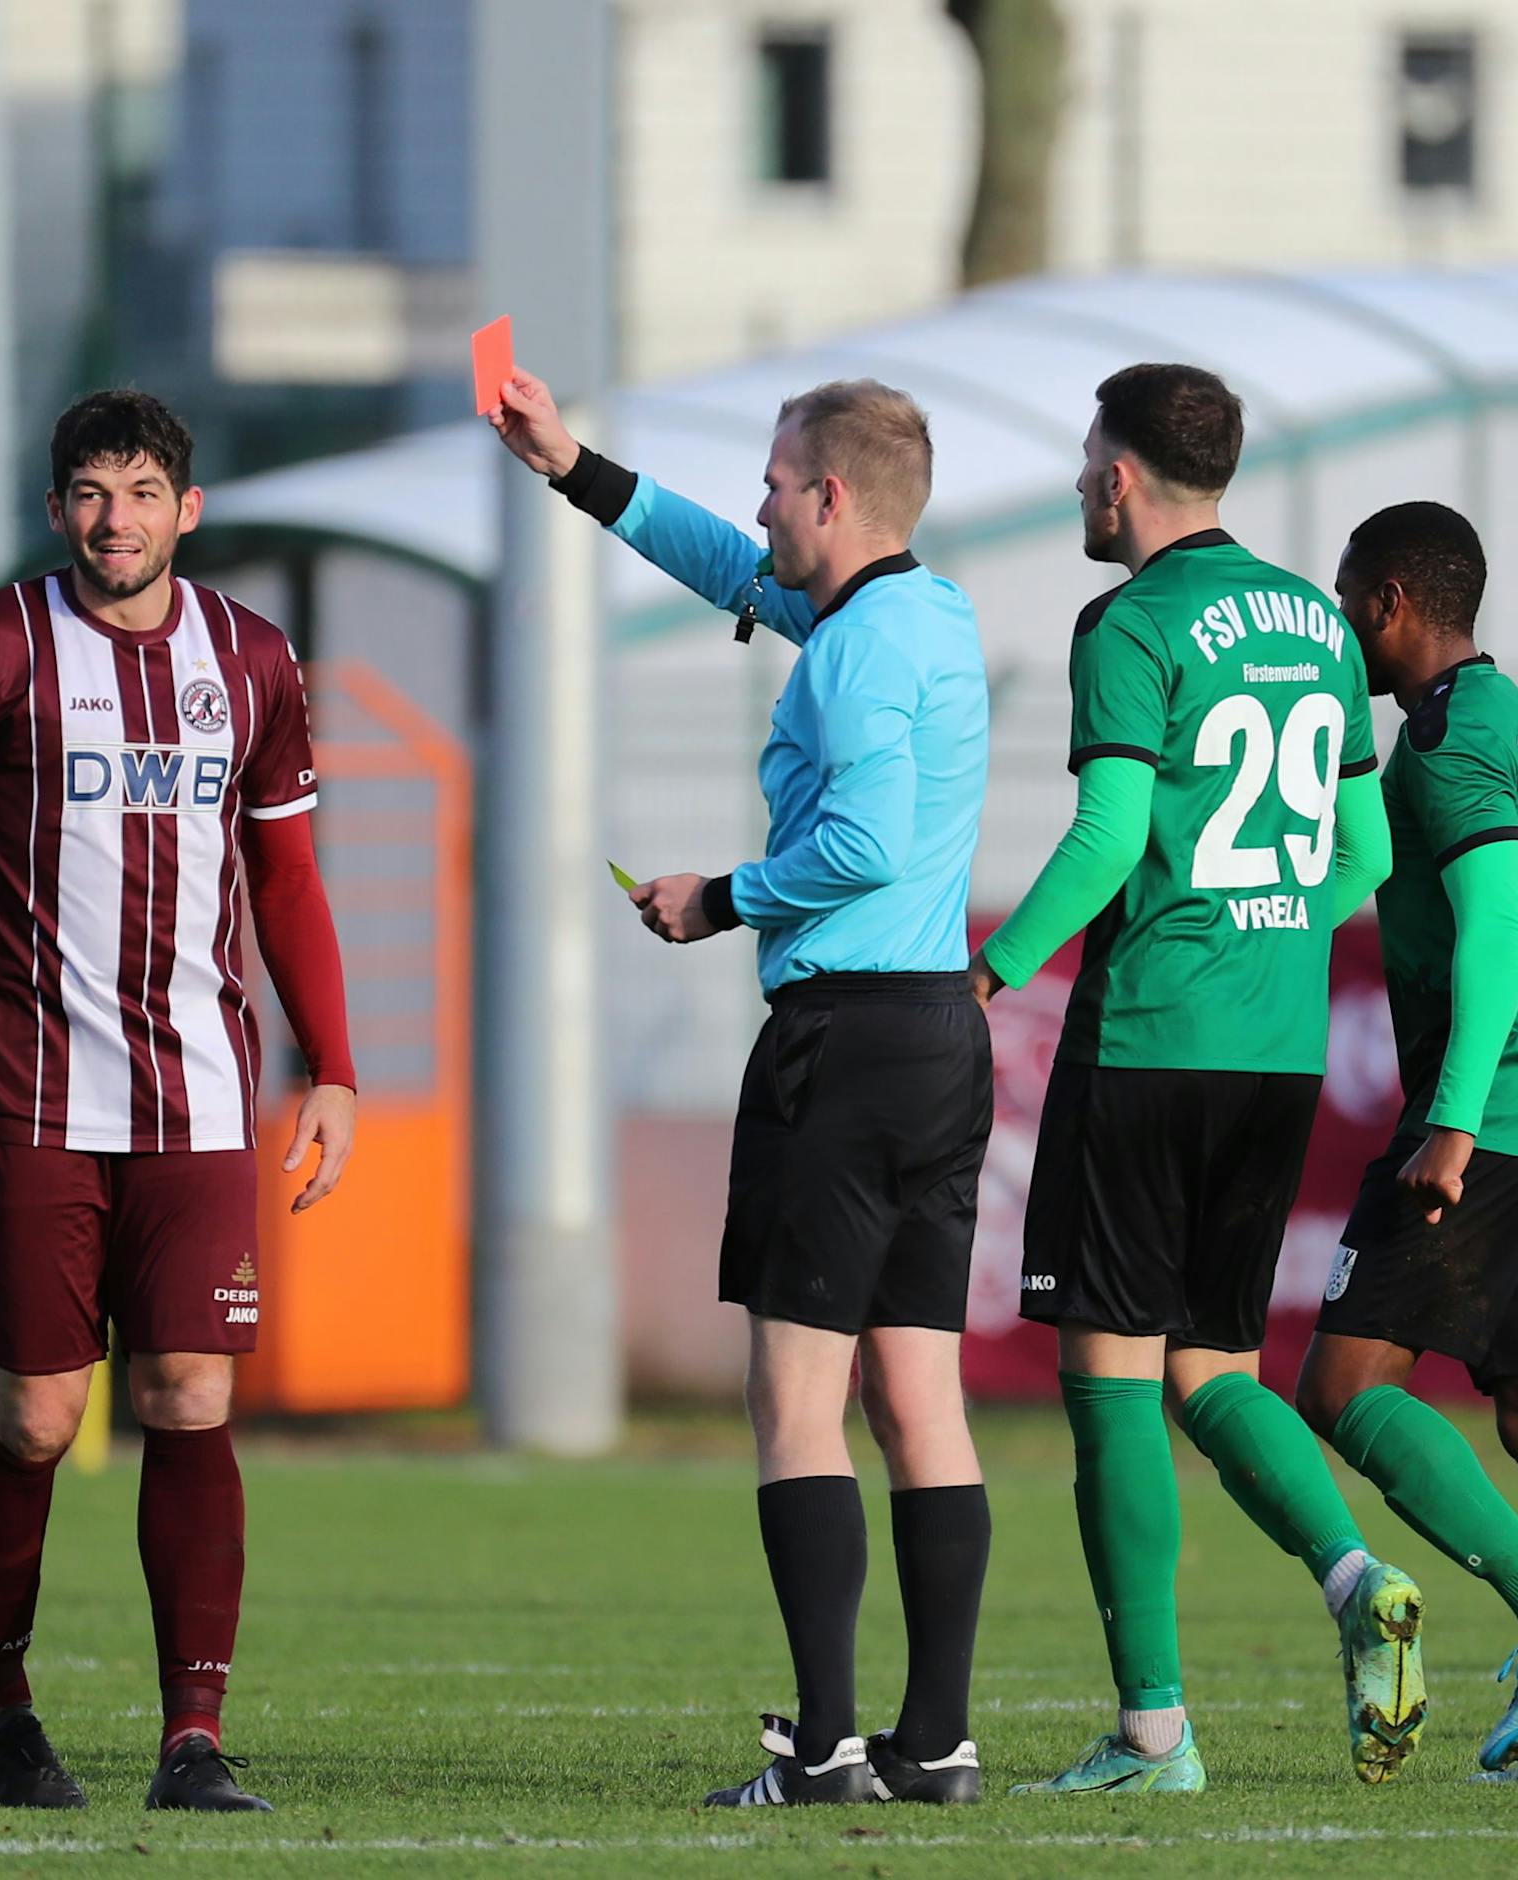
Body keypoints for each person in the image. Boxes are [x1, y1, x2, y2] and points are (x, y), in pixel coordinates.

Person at [0, 390, 358, 1814]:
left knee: (190, 1390)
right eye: (87, 492)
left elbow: (287, 881)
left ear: (188, 510)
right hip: (23, 1093)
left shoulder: (251, 659)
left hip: (198, 1100)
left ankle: (193, 1739)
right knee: (38, 1417)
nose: (112, 519)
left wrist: (333, 1066)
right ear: (57, 508)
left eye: (138, 492)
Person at [488, 370, 992, 1807]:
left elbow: (868, 845)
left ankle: (825, 1747)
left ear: (830, 494)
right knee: (920, 1395)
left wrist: (721, 896)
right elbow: (727, 563)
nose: (760, 504)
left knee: (795, 1400)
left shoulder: (846, 655)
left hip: (842, 1044)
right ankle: (934, 1743)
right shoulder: (927, 614)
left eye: (775, 482)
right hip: (936, 1037)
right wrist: (573, 465)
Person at [970, 364, 1415, 1794]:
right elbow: (1365, 853)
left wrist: (990, 974)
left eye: (1085, 460)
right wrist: (1265, 937)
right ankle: (1355, 1577)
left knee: (1106, 1375)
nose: (1077, 484)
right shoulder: (1316, 623)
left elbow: (1107, 839)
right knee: (1213, 1368)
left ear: (1120, 477)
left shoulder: (1130, 623)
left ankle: (1152, 1732)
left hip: (1149, 1038)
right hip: (1274, 1050)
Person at [1296, 501, 1518, 1781]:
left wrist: (1453, 1122)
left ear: (1387, 603)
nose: (1337, 623)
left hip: (1502, 1107)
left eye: (1343, 600)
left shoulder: (1444, 736)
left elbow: (1492, 927)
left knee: (1340, 1383)